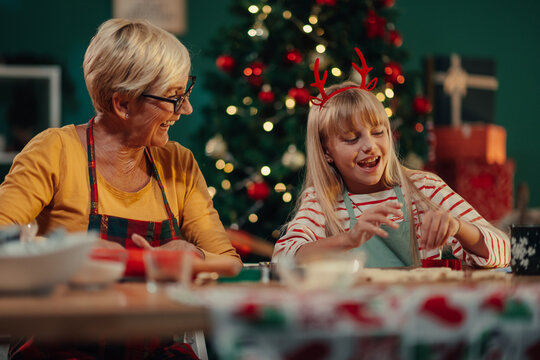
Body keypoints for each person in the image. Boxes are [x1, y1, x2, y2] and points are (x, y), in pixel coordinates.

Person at [0, 18, 241, 359]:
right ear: (123, 104)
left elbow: (228, 263)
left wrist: (196, 257)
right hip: (61, 347)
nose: (186, 108)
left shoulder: (179, 164)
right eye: (174, 97)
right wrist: (69, 259)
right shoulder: (54, 151)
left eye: (185, 92)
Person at [272, 52, 510, 268]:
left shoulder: (424, 188)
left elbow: (506, 250)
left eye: (378, 132)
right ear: (327, 153)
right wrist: (348, 239)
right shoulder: (322, 201)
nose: (369, 145)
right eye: (351, 139)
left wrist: (459, 227)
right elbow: (283, 257)